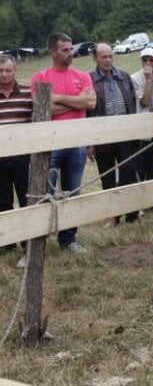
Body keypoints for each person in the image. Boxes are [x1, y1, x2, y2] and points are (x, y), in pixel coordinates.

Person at [30, 33, 96, 254]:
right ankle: (38, 242)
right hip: (50, 144)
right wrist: (77, 102)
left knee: (73, 191)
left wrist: (57, 98)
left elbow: (91, 102)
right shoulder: (40, 76)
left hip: (77, 143)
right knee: (43, 193)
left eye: (71, 49)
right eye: (65, 50)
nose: (71, 53)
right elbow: (43, 109)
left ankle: (68, 240)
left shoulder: (82, 75)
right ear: (53, 52)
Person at [86, 43, 139, 226]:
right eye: (103, 57)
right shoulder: (89, 79)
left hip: (126, 135)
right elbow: (89, 113)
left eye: (110, 56)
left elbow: (132, 103)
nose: (108, 60)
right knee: (107, 176)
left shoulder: (123, 76)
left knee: (129, 174)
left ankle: (132, 214)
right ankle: (113, 216)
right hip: (103, 137)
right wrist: (90, 142)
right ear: (95, 58)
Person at [0, 54, 32, 264]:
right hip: (0, 157)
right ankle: (7, 240)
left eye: (7, 70)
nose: (4, 75)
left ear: (15, 70)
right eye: (0, 71)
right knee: (2, 202)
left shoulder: (29, 93)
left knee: (26, 199)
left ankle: (28, 243)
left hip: (23, 157)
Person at [130, 47, 153, 212]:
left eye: (151, 60)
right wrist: (149, 80)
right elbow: (144, 101)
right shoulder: (135, 78)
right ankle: (140, 203)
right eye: (145, 60)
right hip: (142, 128)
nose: (148, 63)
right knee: (140, 166)